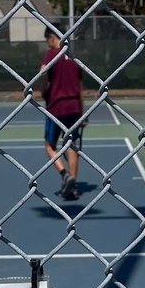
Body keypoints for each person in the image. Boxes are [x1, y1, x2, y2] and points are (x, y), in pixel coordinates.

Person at [41, 28, 85, 200]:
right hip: (74, 108)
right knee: (71, 145)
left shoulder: (51, 54)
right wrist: (83, 113)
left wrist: (41, 89)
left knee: (49, 145)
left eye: (47, 39)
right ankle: (73, 186)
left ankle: (65, 174)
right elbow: (81, 89)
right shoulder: (75, 57)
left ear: (52, 37)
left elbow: (43, 72)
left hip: (56, 108)